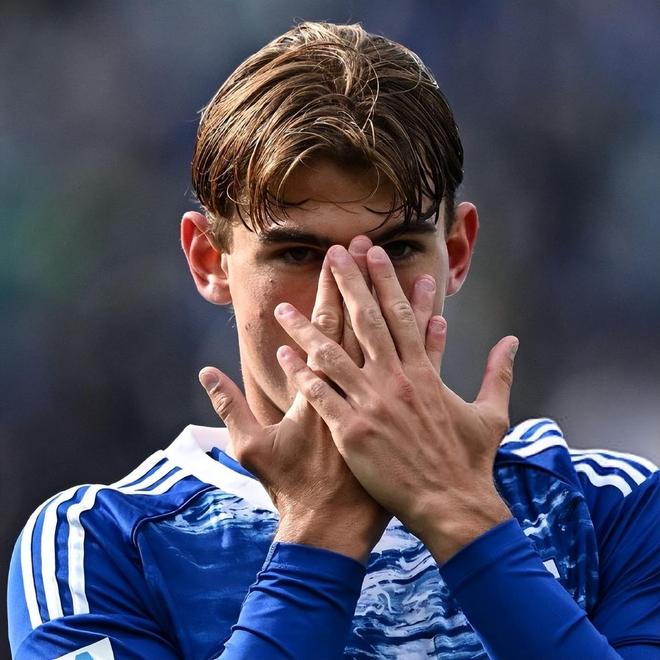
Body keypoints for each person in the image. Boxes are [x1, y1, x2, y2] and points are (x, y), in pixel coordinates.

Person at [7, 21, 660, 660]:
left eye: (396, 250)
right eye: (297, 253)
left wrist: (461, 516)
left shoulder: (616, 509)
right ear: (210, 262)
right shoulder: (97, 545)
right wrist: (319, 534)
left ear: (457, 253)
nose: (349, 297)